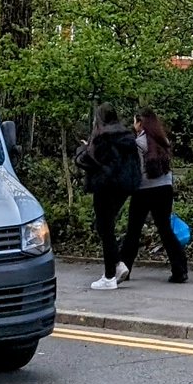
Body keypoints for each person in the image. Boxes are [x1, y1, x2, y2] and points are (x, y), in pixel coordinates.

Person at [75, 103, 142, 290]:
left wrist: (82, 150)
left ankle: (109, 275)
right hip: (123, 187)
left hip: (104, 186)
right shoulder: (127, 136)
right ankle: (117, 264)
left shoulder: (102, 137)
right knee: (106, 227)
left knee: (105, 228)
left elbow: (89, 161)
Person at [119, 108, 189, 283]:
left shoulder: (138, 143)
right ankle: (180, 269)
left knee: (133, 230)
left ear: (140, 123)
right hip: (164, 188)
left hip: (144, 190)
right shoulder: (162, 141)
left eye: (135, 121)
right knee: (165, 229)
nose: (133, 125)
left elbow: (137, 170)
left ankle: (124, 268)